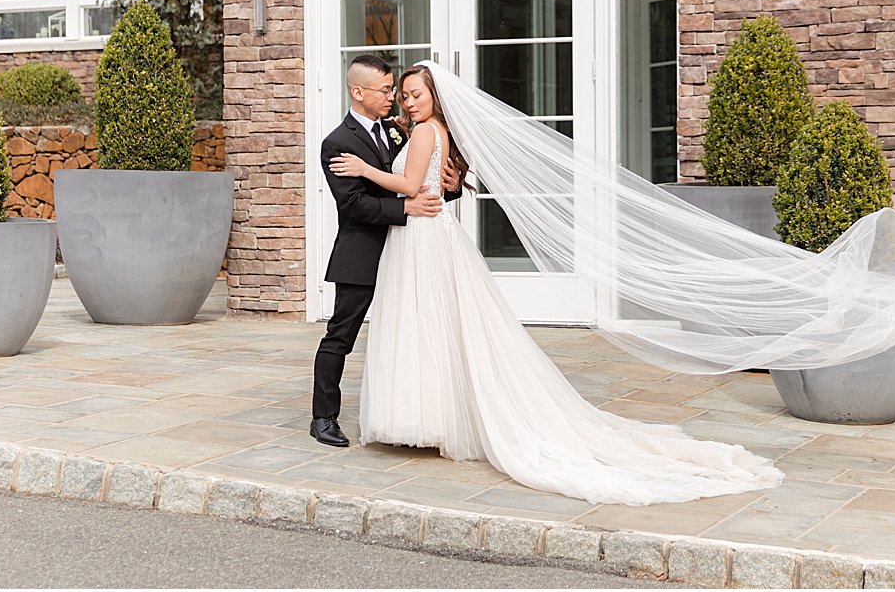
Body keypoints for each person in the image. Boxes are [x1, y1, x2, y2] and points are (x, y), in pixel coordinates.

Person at [329, 64, 785, 505]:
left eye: (415, 94)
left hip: (425, 235)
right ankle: (436, 416)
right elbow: (431, 182)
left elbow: (410, 184)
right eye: (403, 95)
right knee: (435, 324)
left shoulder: (427, 131)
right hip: (423, 234)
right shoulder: (418, 132)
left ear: (435, 97)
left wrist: (367, 171)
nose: (406, 102)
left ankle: (429, 417)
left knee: (427, 321)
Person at [310, 55, 461, 449]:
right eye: (385, 90)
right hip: (362, 250)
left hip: (410, 251)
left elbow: (425, 173)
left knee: (416, 332)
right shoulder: (336, 143)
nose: (393, 98)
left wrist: (454, 182)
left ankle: (419, 414)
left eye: (395, 90)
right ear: (358, 92)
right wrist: (404, 208)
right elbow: (353, 204)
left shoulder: (399, 131)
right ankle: (323, 417)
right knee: (340, 335)